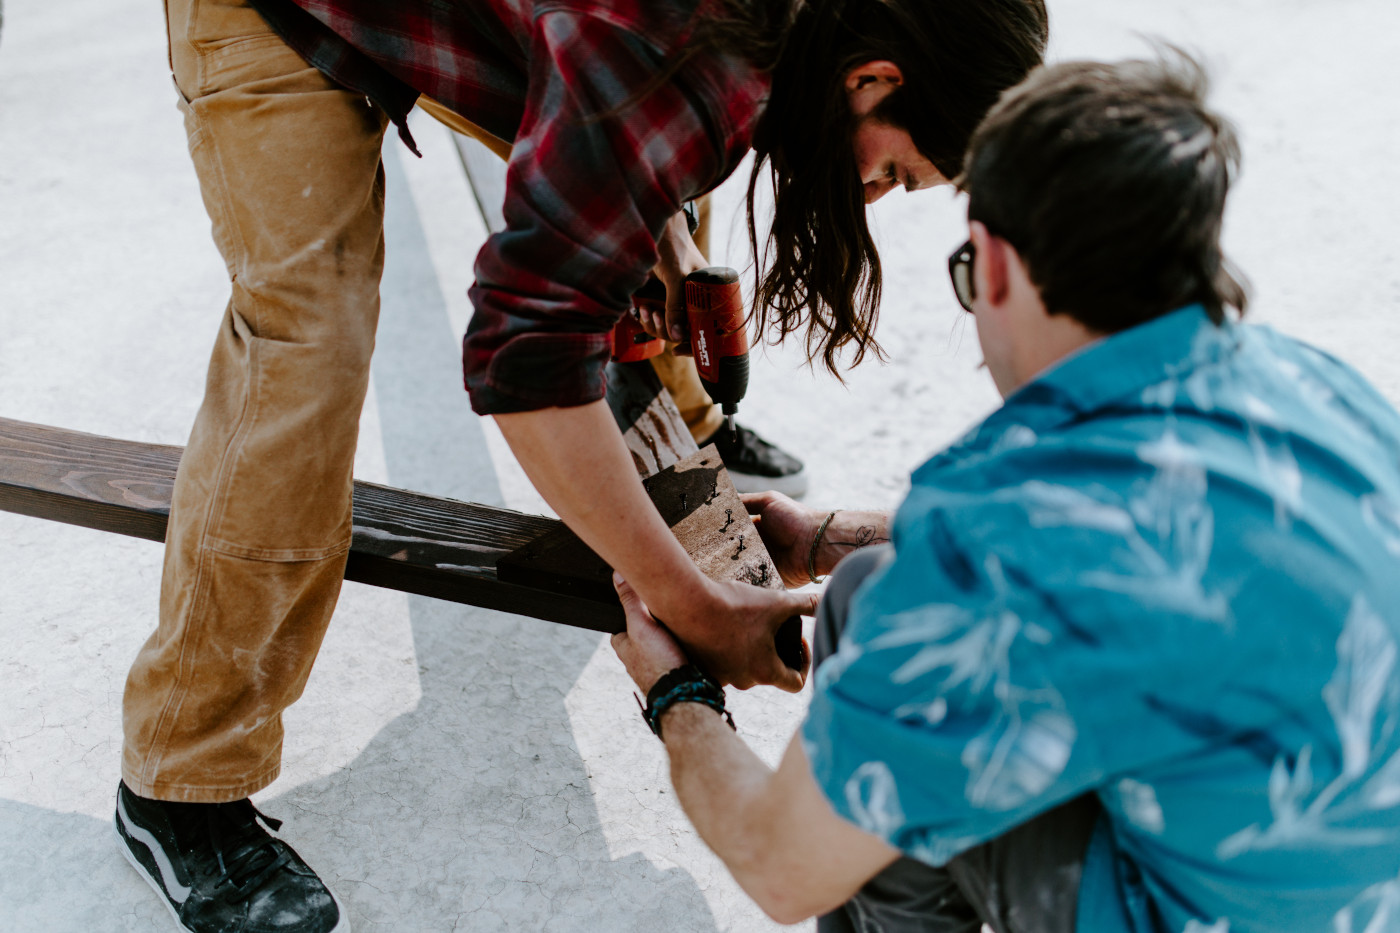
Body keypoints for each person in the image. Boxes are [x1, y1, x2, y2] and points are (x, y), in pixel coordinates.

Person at [115, 1, 1049, 930]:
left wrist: (664, 238)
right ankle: (179, 782)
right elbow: (523, 364)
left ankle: (683, 440)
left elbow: (619, 114)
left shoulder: (732, 50)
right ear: (872, 78)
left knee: (644, 220)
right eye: (891, 169)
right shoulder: (670, 56)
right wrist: (691, 604)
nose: (873, 195)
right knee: (306, 341)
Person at [611, 51, 1400, 933]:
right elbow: (1137, 555)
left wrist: (676, 692)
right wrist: (828, 536)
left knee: (885, 700)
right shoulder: (1323, 393)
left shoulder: (1005, 535)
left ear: (991, 266)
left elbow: (779, 865)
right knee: (878, 591)